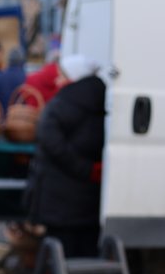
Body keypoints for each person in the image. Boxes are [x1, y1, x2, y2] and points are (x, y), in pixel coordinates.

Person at [24, 53, 105, 259]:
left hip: (59, 195)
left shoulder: (64, 102)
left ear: (74, 77)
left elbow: (49, 140)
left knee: (60, 253)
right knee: (86, 251)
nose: (58, 80)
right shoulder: (101, 102)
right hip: (87, 196)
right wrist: (88, 170)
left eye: (62, 75)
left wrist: (83, 169)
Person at [0, 46, 27, 115]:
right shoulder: (27, 78)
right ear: (22, 62)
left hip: (1, 122)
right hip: (23, 121)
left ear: (8, 61)